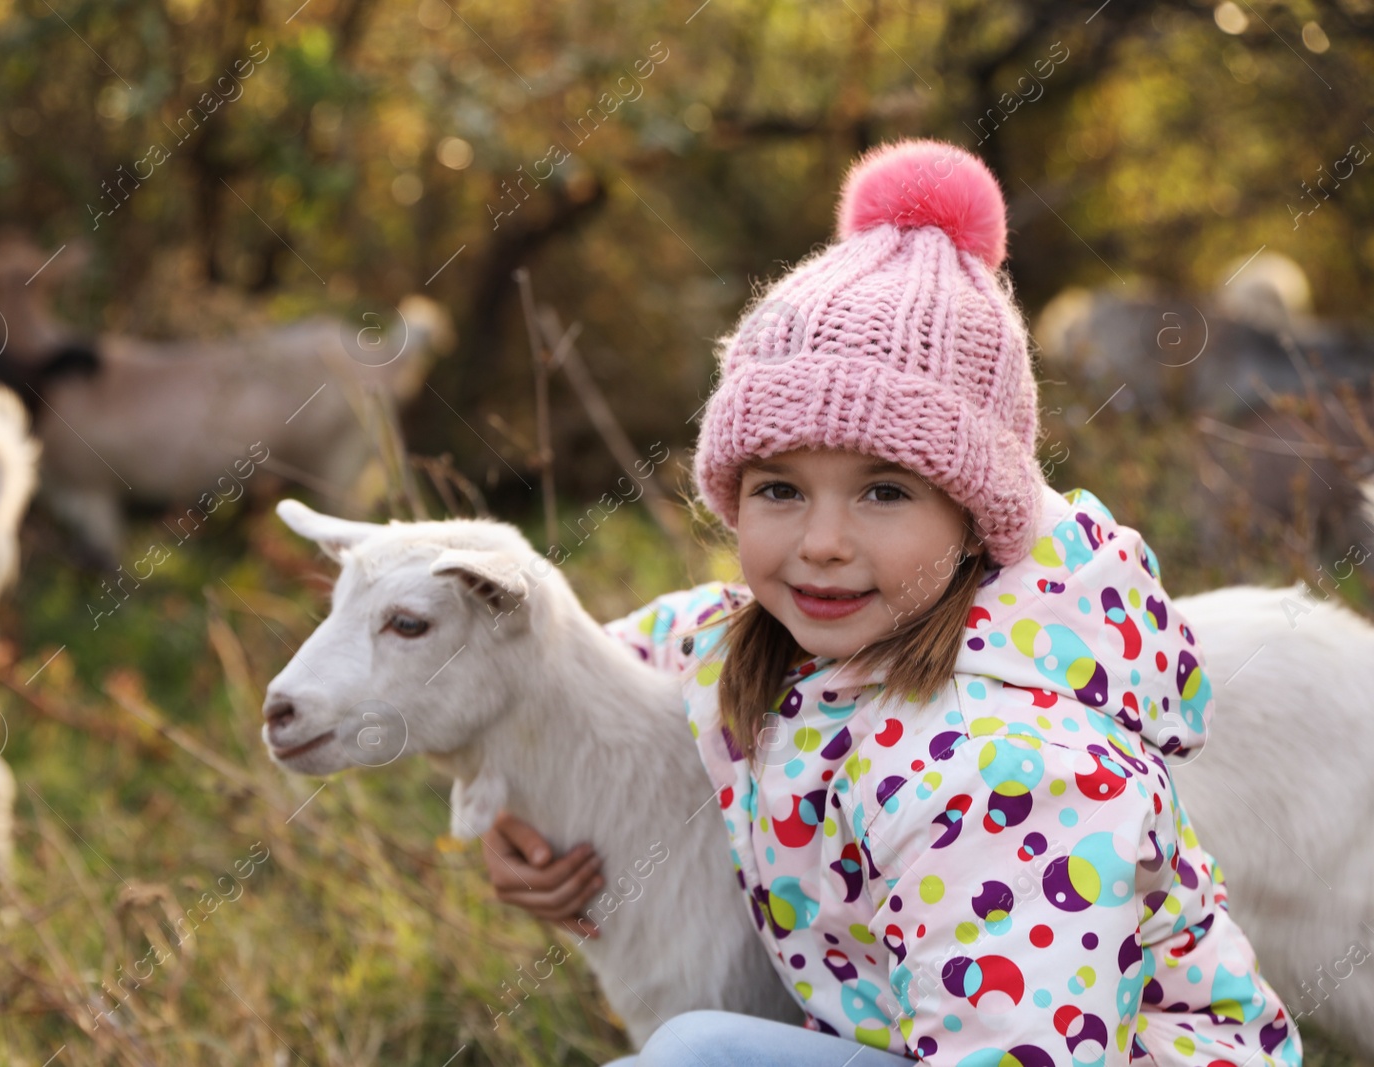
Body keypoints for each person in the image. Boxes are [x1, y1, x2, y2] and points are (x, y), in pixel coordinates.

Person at [480, 138, 1303, 1066]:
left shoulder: (1009, 773)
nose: (822, 542)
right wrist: (511, 808)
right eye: (780, 489)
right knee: (693, 1046)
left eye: (885, 491)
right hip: (916, 1039)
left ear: (974, 515)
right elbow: (570, 672)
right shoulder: (757, 643)